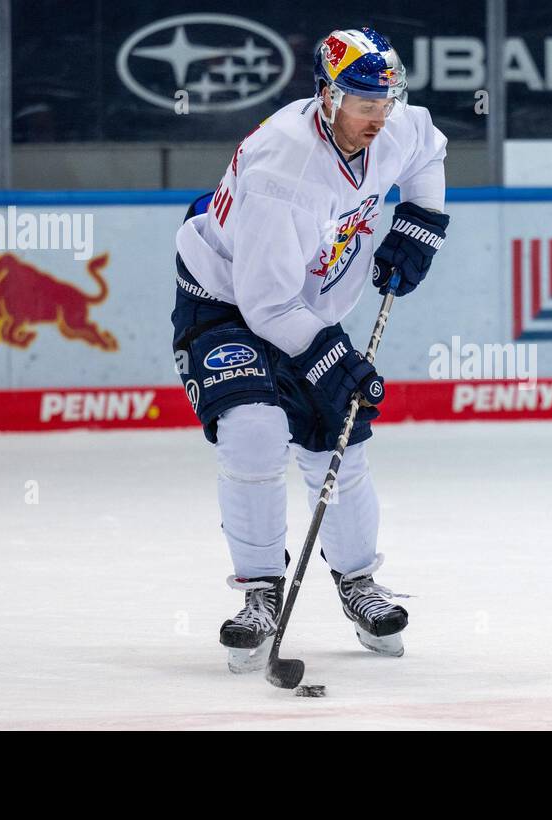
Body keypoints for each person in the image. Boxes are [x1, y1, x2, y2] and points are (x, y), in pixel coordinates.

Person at [170, 27, 449, 671]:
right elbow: (264, 304)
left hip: (308, 306)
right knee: (255, 429)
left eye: (385, 100)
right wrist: (334, 358)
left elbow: (429, 148)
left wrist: (422, 223)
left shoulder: (391, 124)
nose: (379, 117)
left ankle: (358, 582)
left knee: (339, 439)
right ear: (327, 98)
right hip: (226, 301)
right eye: (362, 103)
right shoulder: (282, 168)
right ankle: (260, 591)